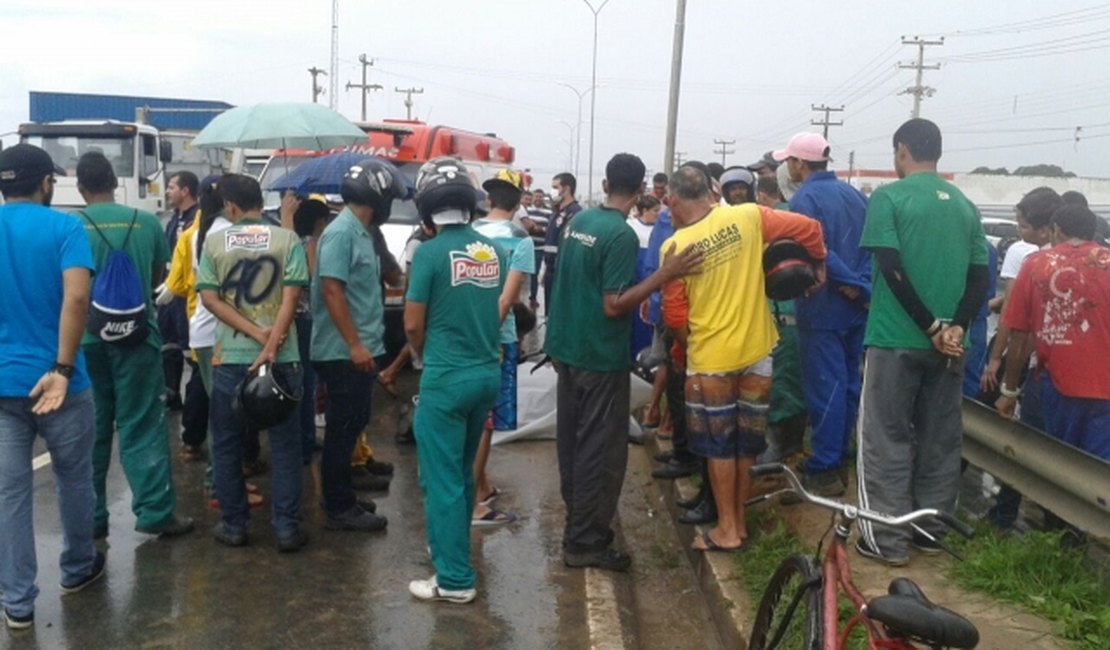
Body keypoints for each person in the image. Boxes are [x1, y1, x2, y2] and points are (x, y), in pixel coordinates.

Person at [546, 153, 702, 572]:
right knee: (601, 452)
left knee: (574, 448)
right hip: (599, 357)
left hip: (568, 352)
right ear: (638, 193)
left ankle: (578, 528)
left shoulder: (579, 223)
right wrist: (664, 274)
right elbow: (614, 305)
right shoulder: (620, 236)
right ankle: (585, 542)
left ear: (603, 184)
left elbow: (563, 283)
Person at [662, 166, 827, 551]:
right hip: (758, 353)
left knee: (720, 447)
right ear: (711, 191)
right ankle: (740, 523)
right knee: (747, 444)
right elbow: (811, 231)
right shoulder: (748, 216)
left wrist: (685, 349)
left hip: (711, 360)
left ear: (672, 200)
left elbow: (674, 317)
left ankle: (727, 530)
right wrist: (817, 266)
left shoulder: (676, 247)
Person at [855, 119, 990, 566]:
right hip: (952, 346)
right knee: (938, 439)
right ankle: (930, 532)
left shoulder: (889, 199)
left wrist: (929, 326)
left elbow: (891, 270)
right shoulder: (965, 205)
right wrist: (954, 327)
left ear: (901, 151)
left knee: (885, 439)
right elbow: (979, 278)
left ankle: (885, 541)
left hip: (897, 339)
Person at [0, 144, 103, 630]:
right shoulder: (66, 227)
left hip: (3, 386)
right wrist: (61, 369)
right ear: (45, 184)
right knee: (73, 478)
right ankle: (77, 568)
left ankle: (17, 603)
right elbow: (78, 296)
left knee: (10, 494)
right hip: (62, 384)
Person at [75, 152, 194, 540]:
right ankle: (155, 512)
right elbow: (158, 275)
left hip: (85, 340)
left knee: (90, 430)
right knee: (142, 423)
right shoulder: (144, 223)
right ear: (114, 181)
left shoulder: (71, 226)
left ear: (80, 187)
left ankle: (91, 518)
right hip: (138, 338)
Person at [404, 158, 504, 604]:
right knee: (461, 476)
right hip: (485, 375)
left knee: (441, 480)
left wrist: (422, 356)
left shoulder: (427, 254)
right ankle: (450, 550)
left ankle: (454, 581)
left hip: (445, 379)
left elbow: (410, 325)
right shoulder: (492, 252)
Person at [196, 174, 309, 552]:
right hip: (283, 359)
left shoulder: (213, 242)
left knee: (227, 445)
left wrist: (255, 335)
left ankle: (234, 525)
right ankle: (287, 529)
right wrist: (272, 341)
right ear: (260, 201)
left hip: (230, 359)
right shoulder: (287, 239)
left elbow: (211, 301)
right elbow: (292, 298)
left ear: (229, 206)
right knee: (286, 446)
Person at [772, 132, 870, 496]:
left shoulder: (804, 199)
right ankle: (840, 457)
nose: (787, 167)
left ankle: (825, 466)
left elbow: (819, 251)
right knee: (847, 385)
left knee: (825, 387)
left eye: (789, 161)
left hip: (823, 305)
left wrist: (851, 283)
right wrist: (862, 286)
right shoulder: (855, 195)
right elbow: (874, 246)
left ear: (799, 163)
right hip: (856, 307)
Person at [312, 160, 404, 532]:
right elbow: (331, 289)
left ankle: (343, 495)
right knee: (341, 428)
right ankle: (337, 507)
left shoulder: (362, 232)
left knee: (352, 426)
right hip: (342, 352)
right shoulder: (341, 233)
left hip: (359, 348)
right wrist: (353, 344)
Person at [997, 205, 1110, 460]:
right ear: (1092, 232)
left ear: (1056, 231)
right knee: (1100, 471)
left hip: (1059, 382)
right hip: (1106, 386)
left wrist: (1009, 390)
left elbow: (1019, 335)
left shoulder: (1036, 265)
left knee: (1062, 461)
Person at [978, 187, 1061, 531]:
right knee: (1053, 452)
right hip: (1063, 375)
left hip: (1032, 366)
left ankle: (1004, 515)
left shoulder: (1035, 263)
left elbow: (1017, 324)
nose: (1019, 232)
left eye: (1024, 225)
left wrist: (1004, 378)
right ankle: (1057, 529)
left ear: (1047, 230)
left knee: (1020, 440)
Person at [471, 169, 535, 525]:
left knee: (476, 417)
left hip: (465, 333)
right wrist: (487, 337)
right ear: (519, 201)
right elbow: (508, 299)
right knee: (486, 421)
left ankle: (481, 483)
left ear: (488, 199)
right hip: (496, 337)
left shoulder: (470, 233)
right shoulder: (520, 240)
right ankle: (475, 501)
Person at [280, 193, 331, 466]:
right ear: (319, 221)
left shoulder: (286, 239)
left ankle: (303, 440)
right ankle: (305, 442)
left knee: (297, 380)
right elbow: (311, 277)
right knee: (306, 382)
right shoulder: (309, 243)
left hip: (291, 320)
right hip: (305, 319)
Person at [160, 171, 200, 411]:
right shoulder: (173, 219)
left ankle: (195, 403)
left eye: (172, 187)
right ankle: (171, 394)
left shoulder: (197, 220)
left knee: (190, 349)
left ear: (185, 191)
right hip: (170, 294)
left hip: (186, 296)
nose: (167, 191)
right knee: (169, 345)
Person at [541, 172, 581, 314]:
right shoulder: (556, 212)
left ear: (566, 189)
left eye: (555, 187)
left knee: (559, 312)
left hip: (563, 270)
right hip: (551, 268)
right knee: (549, 312)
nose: (552, 191)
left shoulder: (575, 213)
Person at [521, 188, 551, 311]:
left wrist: (541, 230)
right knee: (525, 273)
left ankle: (533, 297)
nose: (538, 198)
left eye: (540, 196)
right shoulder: (526, 211)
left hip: (540, 247)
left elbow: (549, 229)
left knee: (536, 273)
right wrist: (534, 228)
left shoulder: (548, 212)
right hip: (527, 246)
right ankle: (525, 297)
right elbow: (525, 225)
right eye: (536, 196)